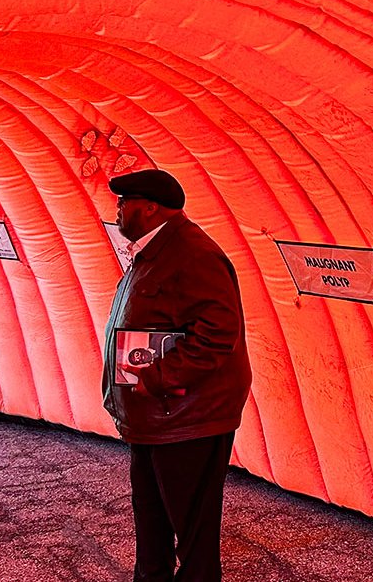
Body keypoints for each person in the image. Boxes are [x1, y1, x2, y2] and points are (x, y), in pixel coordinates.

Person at [102, 168, 252, 581]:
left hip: (188, 422)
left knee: (193, 536)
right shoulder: (155, 250)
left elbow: (219, 335)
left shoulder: (193, 253)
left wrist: (156, 378)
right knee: (151, 529)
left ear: (150, 208)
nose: (117, 210)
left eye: (124, 202)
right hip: (155, 420)